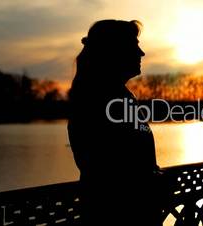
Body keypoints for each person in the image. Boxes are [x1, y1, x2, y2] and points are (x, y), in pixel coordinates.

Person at [67, 19, 161, 225]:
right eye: (135, 46)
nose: (141, 53)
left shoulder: (114, 94)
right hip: (117, 214)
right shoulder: (97, 97)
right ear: (114, 51)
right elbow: (108, 166)